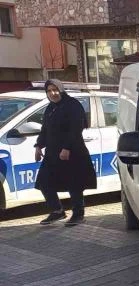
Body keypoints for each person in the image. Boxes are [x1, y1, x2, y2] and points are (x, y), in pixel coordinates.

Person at [34, 79, 97, 226]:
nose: (52, 93)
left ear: (61, 89)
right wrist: (38, 145)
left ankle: (78, 214)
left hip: (73, 152)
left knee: (74, 183)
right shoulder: (50, 108)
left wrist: (67, 148)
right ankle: (57, 211)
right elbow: (45, 129)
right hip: (52, 153)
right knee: (44, 181)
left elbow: (76, 128)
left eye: (55, 90)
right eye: (49, 91)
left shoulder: (72, 105)